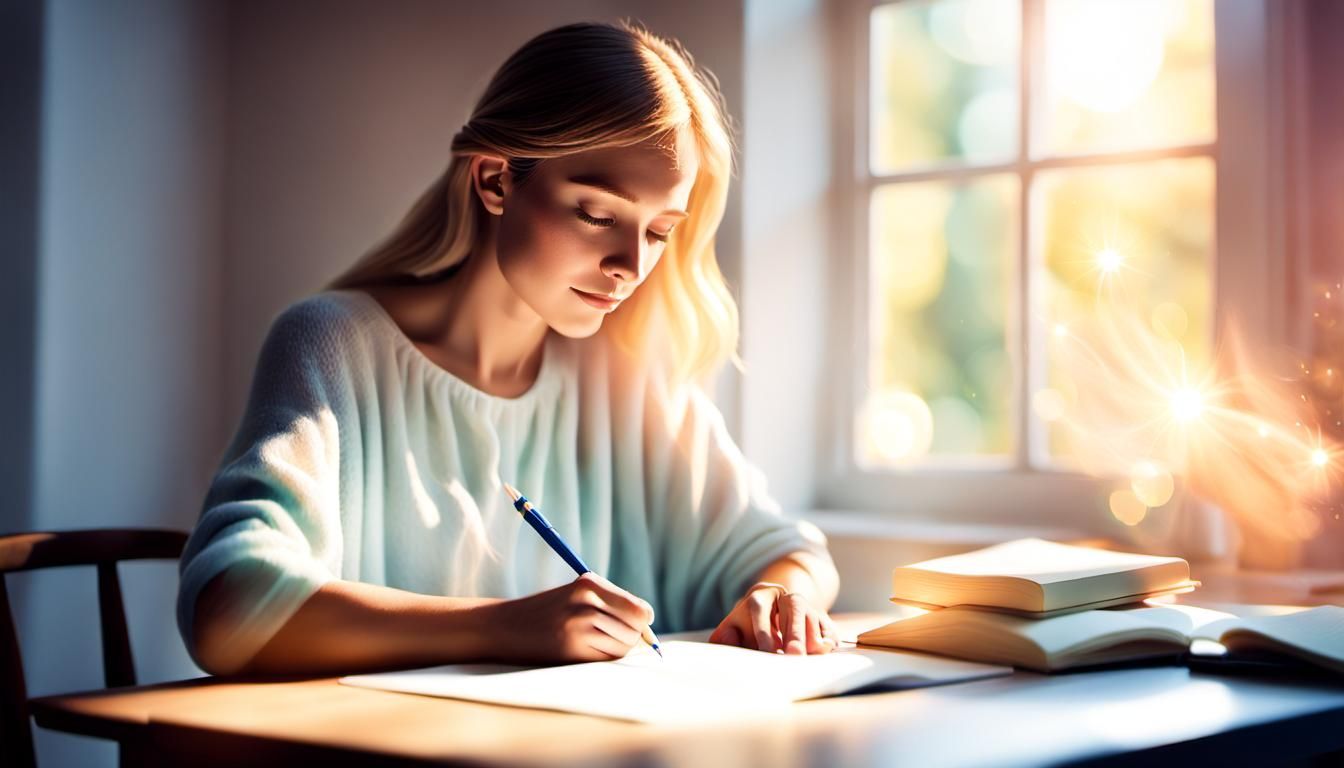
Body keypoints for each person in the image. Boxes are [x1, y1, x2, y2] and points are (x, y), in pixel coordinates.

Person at [177, 20, 840, 676]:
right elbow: (226, 606)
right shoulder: (333, 345)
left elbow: (791, 554)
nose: (629, 264)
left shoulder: (627, 376)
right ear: (496, 181)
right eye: (598, 214)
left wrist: (783, 597)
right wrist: (504, 626)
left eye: (659, 231)